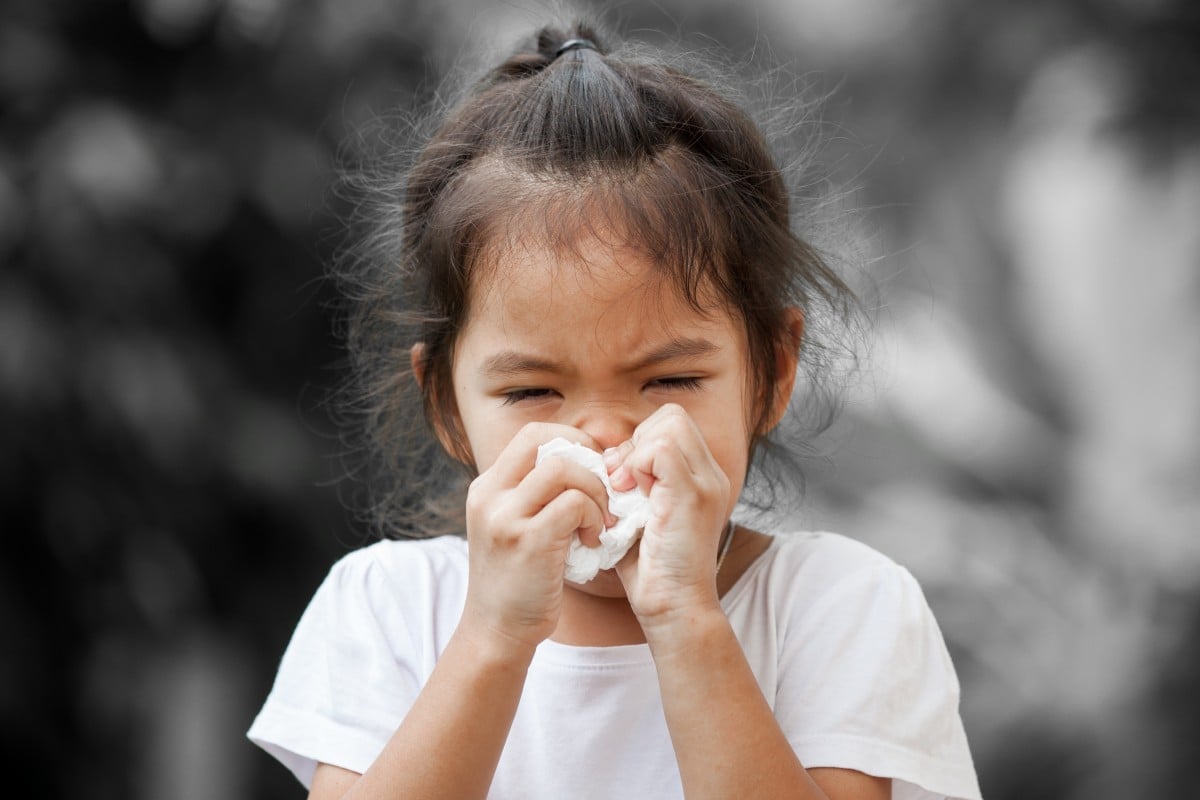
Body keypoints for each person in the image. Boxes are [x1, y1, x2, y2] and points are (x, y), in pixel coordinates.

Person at [248, 19, 982, 800]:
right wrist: (493, 639)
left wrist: (686, 619)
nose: (602, 432)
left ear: (770, 373)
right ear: (449, 407)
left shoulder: (838, 606)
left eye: (670, 379)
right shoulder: (390, 610)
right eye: (531, 391)